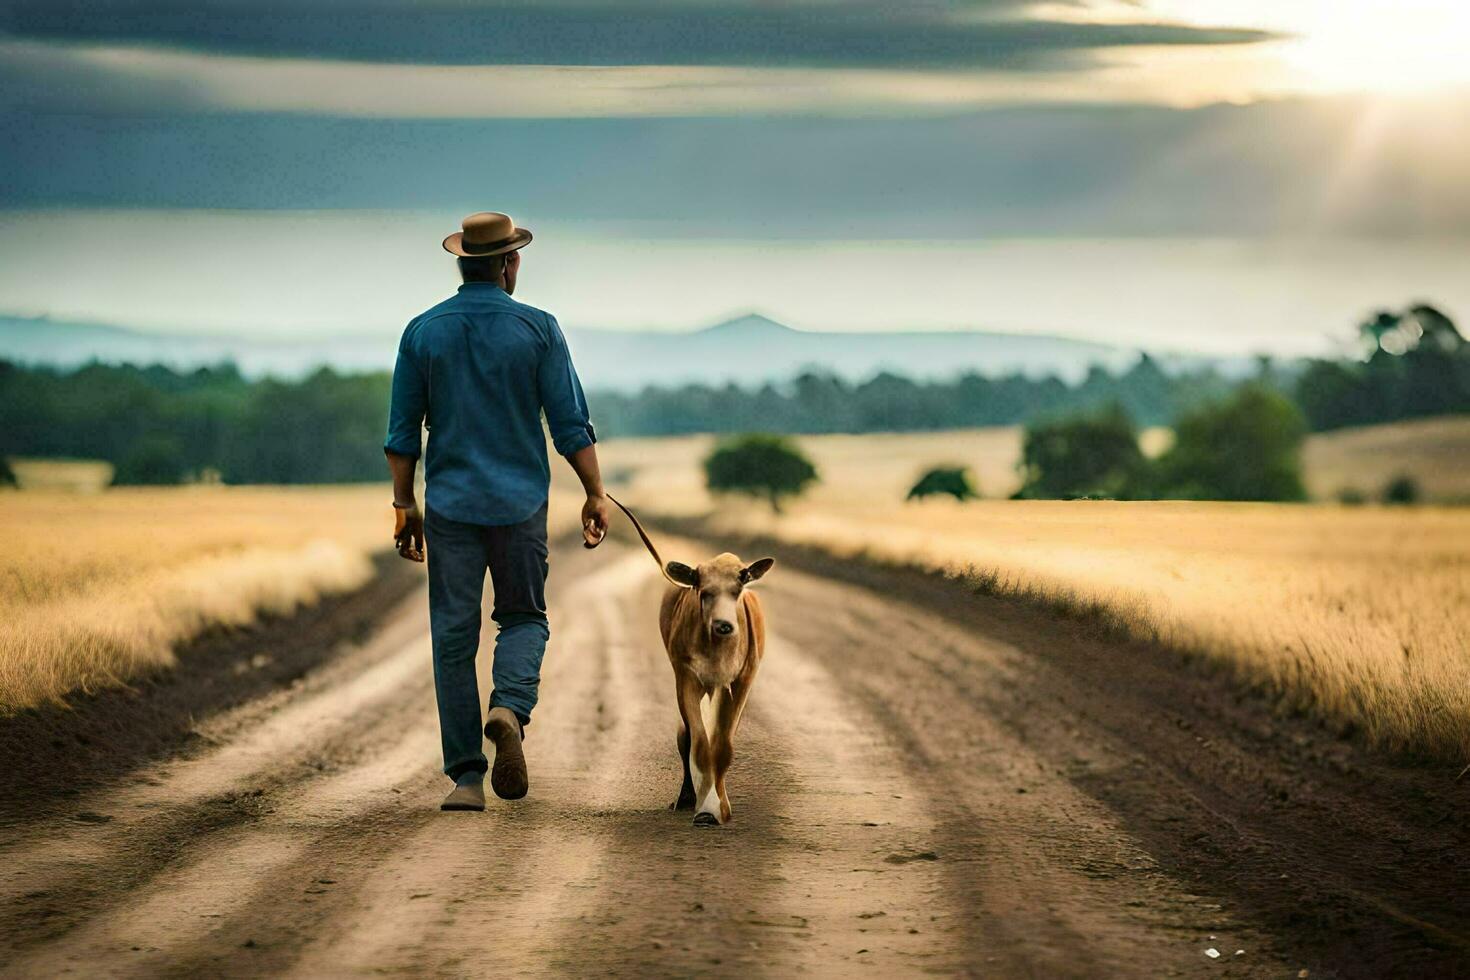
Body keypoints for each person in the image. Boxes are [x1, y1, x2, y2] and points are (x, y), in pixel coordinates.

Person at [383, 211, 610, 812]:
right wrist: (594, 491)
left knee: (453, 638)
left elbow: (402, 434)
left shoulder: (422, 332)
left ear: (463, 263)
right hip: (519, 506)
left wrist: (404, 504)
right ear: (509, 263)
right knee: (524, 618)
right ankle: (507, 707)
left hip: (451, 508)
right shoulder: (538, 328)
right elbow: (569, 423)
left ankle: (465, 779)